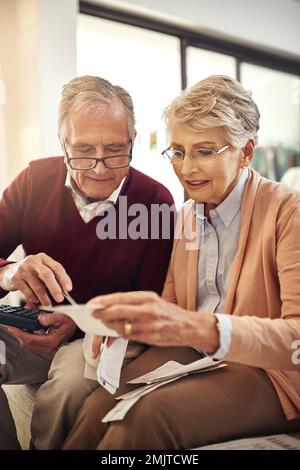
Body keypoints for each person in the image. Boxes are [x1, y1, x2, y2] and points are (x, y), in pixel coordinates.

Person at [63, 75, 300, 450]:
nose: (186, 168)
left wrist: (201, 328)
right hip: (197, 355)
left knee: (143, 417)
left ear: (246, 150)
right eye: (177, 151)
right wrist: (128, 325)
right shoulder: (186, 215)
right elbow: (175, 307)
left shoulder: (290, 212)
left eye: (205, 151)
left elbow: (296, 338)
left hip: (270, 371)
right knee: (97, 408)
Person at [0, 76, 175, 449]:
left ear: (132, 141)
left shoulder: (156, 202)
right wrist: (11, 271)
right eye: (83, 151)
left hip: (101, 336)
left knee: (67, 386)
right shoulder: (33, 180)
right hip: (33, 329)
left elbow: (154, 303)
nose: (99, 168)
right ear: (63, 143)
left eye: (115, 150)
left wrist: (80, 322)